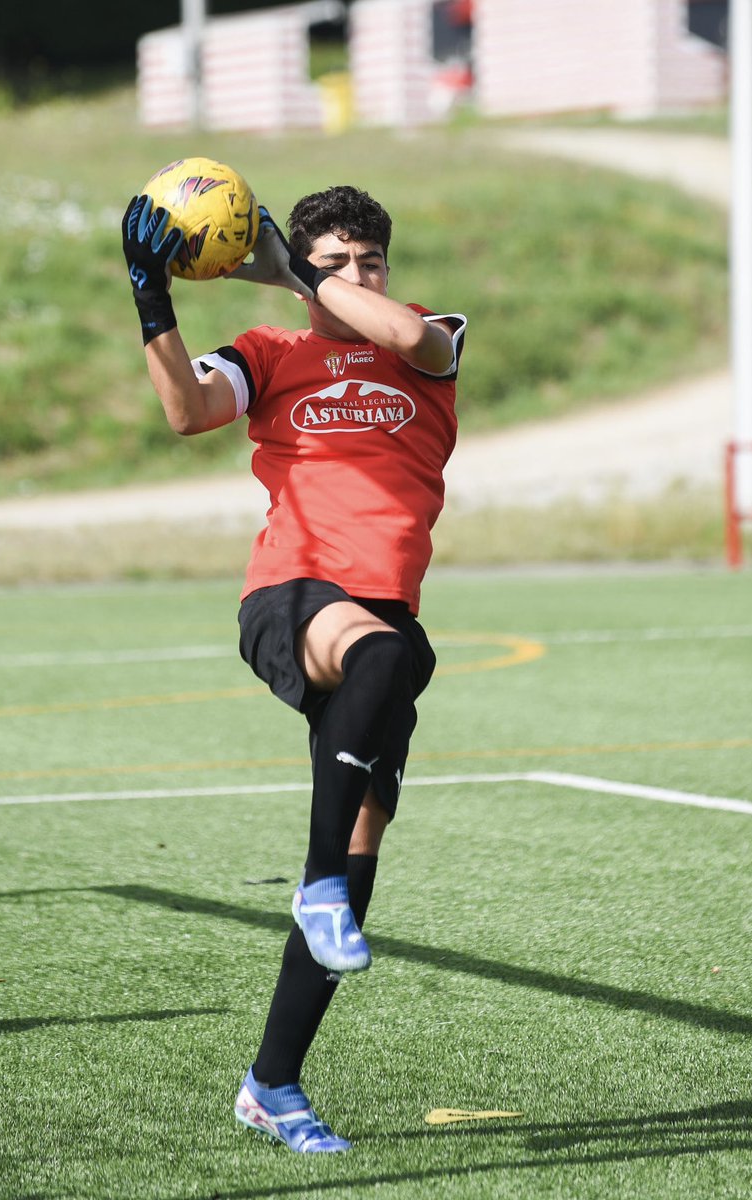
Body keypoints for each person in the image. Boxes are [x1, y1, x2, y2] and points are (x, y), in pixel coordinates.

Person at [122, 183, 467, 1153]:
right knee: (383, 653)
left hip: (385, 630)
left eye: (372, 260)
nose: (359, 275)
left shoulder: (433, 340)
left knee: (360, 863)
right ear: (304, 265)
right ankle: (313, 888)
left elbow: (407, 336)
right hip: (293, 597)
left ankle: (272, 1084)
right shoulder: (273, 351)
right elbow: (189, 410)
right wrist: (153, 296)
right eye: (339, 259)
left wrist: (299, 270)